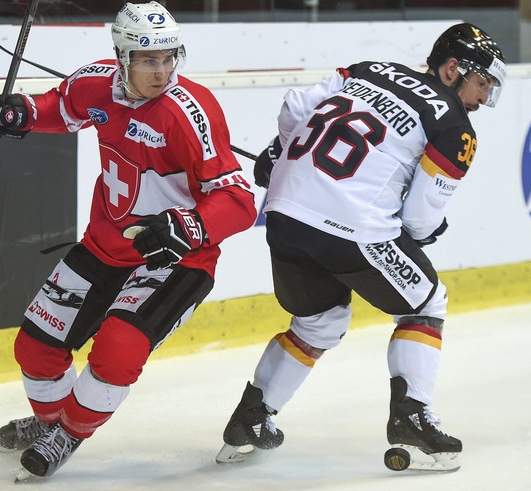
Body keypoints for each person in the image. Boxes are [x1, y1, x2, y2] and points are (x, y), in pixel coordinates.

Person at [0, 1, 256, 481]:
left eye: (169, 58)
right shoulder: (95, 82)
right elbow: (59, 108)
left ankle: (69, 433)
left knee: (118, 347)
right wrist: (16, 113)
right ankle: (50, 421)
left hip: (175, 257)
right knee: (35, 348)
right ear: (122, 57)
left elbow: (238, 199)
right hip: (104, 245)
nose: (161, 71)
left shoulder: (190, 111)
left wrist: (187, 226)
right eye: (148, 60)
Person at [215, 23, 506, 472]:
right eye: (481, 83)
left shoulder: (366, 70)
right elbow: (418, 220)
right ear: (453, 69)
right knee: (426, 302)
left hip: (285, 216)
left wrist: (279, 151)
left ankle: (252, 418)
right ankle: (412, 415)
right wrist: (428, 230)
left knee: (319, 322)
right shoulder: (454, 125)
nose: (483, 98)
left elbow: (296, 106)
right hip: (352, 229)